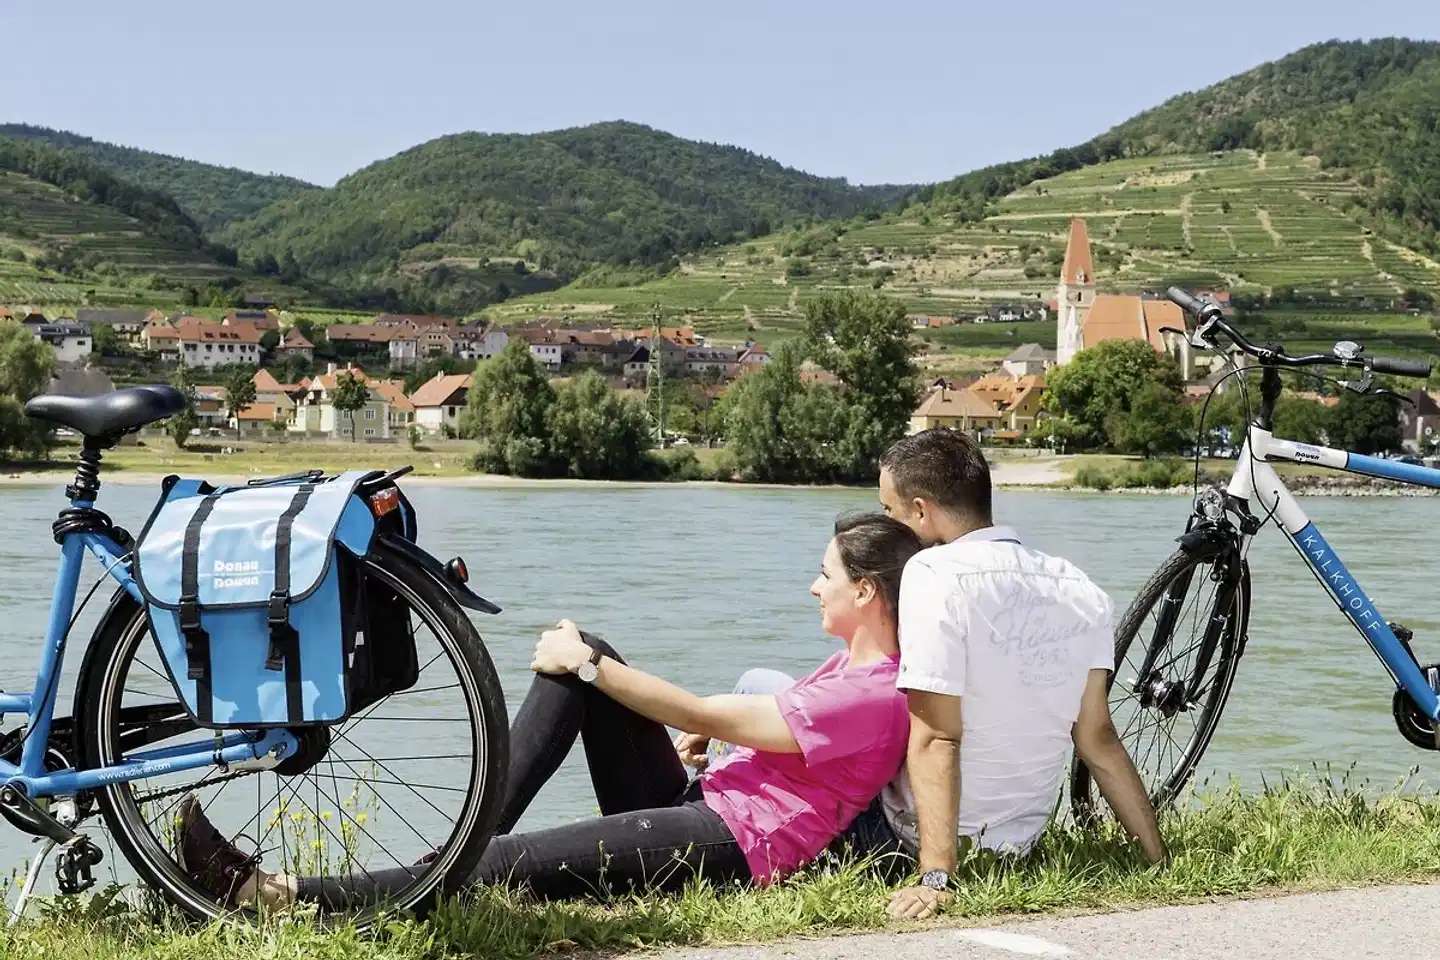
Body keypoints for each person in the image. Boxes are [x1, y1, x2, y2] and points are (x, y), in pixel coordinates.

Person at [176, 512, 924, 910]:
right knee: (586, 661)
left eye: (824, 575)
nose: (811, 587)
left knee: (509, 864)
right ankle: (460, 847)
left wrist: (590, 666)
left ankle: (272, 895)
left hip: (733, 847)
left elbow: (711, 710)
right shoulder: (851, 665)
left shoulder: (873, 690)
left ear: (866, 593)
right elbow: (767, 732)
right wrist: (594, 668)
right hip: (710, 806)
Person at [873, 428, 1168, 920]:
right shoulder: (1080, 588)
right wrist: (1158, 857)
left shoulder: (930, 575)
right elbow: (1097, 737)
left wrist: (937, 876)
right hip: (1017, 846)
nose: (886, 522)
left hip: (911, 833)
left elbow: (936, 737)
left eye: (891, 511)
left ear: (921, 511)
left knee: (768, 692)